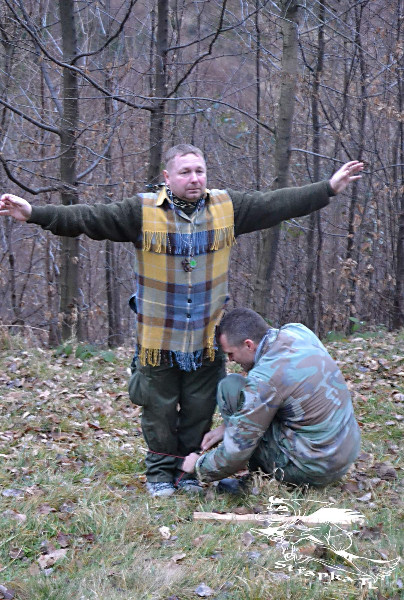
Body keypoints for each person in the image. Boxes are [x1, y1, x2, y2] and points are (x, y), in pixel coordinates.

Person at [0, 144, 363, 497]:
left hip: (206, 339)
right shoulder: (141, 211)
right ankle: (160, 474)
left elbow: (277, 203)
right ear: (167, 176)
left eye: (200, 171)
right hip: (158, 340)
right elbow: (89, 217)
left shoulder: (228, 208)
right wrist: (34, 213)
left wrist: (327, 188)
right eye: (185, 172)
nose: (194, 178)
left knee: (199, 409)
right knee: (158, 410)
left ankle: (187, 473)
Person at [181, 307, 361, 488]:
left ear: (249, 345)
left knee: (230, 387)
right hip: (345, 453)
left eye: (231, 353)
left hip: (314, 469)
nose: (230, 359)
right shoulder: (298, 331)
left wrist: (198, 466)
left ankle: (257, 480)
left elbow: (237, 451)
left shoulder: (265, 378)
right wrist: (226, 428)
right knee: (238, 390)